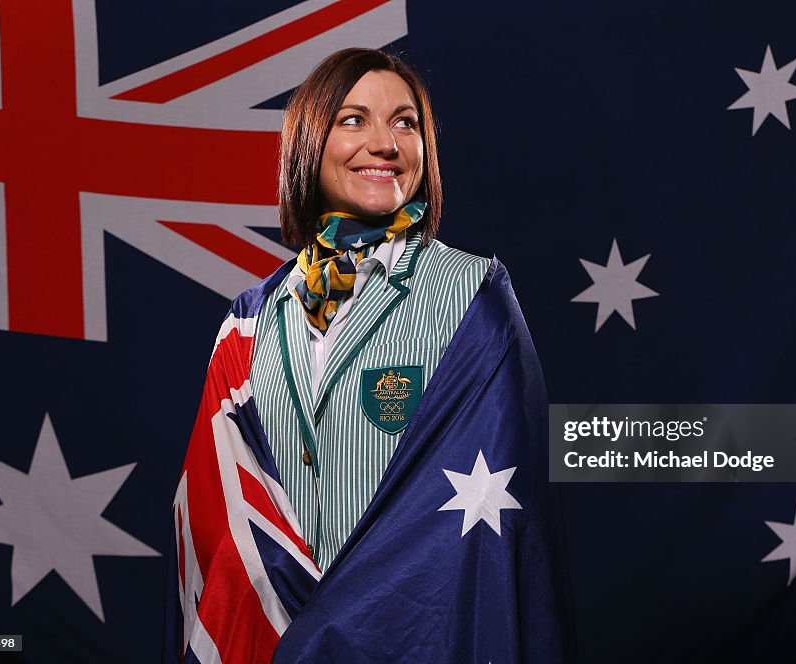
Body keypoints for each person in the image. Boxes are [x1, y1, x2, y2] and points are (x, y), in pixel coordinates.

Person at [167, 48, 572, 663]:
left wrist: (343, 634)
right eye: (353, 120)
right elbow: (219, 533)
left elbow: (496, 532)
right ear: (308, 143)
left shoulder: (470, 294)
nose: (384, 143)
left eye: (405, 122)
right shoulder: (249, 319)